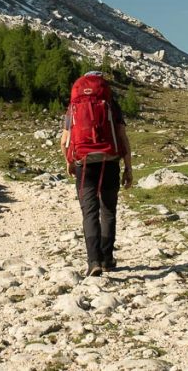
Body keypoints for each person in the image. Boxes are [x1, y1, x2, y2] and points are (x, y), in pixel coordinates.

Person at [59, 72, 133, 277]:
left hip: (84, 163)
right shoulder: (112, 105)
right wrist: (128, 168)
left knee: (89, 211)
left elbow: (64, 141)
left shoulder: (73, 108)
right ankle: (107, 259)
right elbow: (122, 138)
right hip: (109, 161)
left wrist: (69, 161)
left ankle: (93, 262)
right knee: (108, 210)